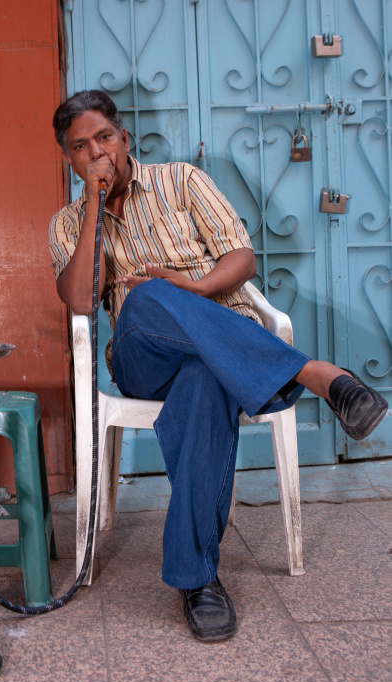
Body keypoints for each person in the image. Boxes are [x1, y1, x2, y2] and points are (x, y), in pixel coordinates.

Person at [49, 90, 388, 642]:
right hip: (142, 354)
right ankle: (313, 375)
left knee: (207, 379)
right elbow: (83, 301)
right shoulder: (67, 222)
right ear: (70, 160)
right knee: (144, 298)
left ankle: (197, 579)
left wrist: (196, 286)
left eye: (104, 138)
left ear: (124, 138)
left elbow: (241, 256)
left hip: (217, 344)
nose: (97, 153)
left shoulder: (181, 181)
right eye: (81, 147)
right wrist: (93, 205)